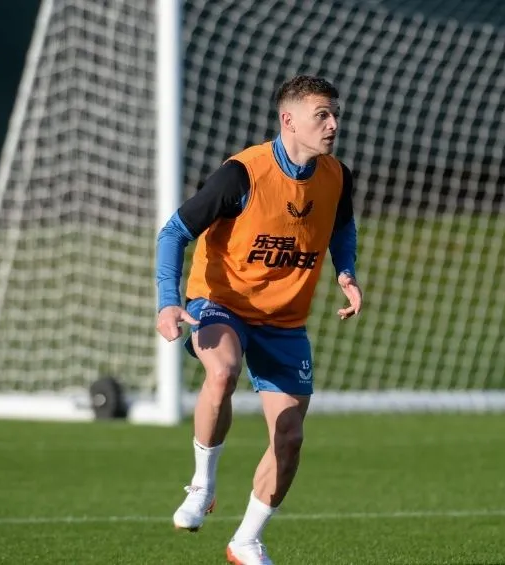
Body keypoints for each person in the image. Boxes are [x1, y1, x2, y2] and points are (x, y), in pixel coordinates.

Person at [154, 75, 362, 565]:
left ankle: (246, 540)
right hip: (219, 301)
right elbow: (174, 231)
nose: (333, 124)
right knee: (222, 371)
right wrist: (168, 300)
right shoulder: (242, 175)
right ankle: (202, 485)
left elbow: (342, 224)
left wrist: (346, 270)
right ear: (288, 120)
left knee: (289, 436)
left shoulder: (337, 175)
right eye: (322, 115)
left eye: (335, 114)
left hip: (285, 321)